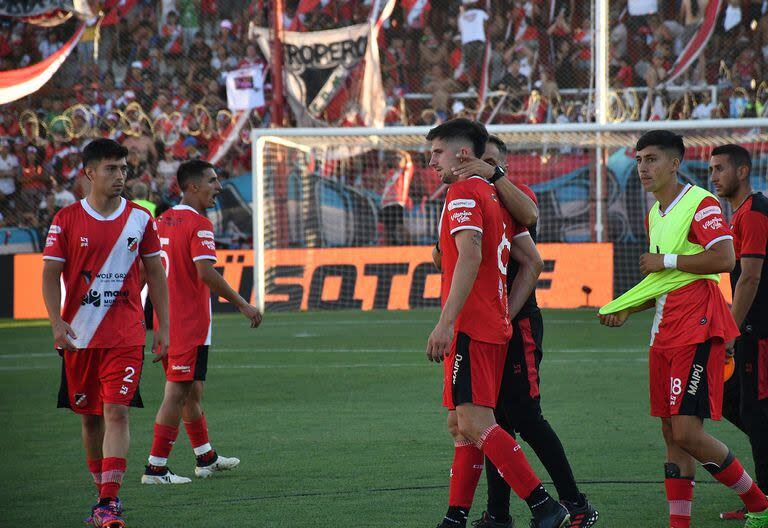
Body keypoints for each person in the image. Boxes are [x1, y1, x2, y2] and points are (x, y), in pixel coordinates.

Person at [598, 130, 768, 528]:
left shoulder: (700, 202)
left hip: (697, 326)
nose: (643, 167)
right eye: (639, 160)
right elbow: (663, 280)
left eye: (652, 159)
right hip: (664, 331)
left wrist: (668, 260)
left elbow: (724, 258)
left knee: (688, 432)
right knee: (671, 435)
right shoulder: (655, 214)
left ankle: (759, 503)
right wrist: (629, 309)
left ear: (675, 164)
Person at [449, 135, 599, 528]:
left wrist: (505, 315)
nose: (482, 167)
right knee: (492, 421)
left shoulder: (510, 194)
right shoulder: (468, 196)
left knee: (526, 417)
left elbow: (531, 231)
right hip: (486, 324)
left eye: (492, 162)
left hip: (518, 323)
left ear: (505, 167)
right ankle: (498, 514)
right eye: (478, 160)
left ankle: (574, 504)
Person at [426, 118, 569, 528]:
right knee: (460, 423)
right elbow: (529, 258)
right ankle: (455, 517)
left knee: (474, 422)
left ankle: (544, 505)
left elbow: (469, 256)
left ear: (462, 154)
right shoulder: (493, 194)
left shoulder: (463, 192)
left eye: (438, 152)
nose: (431, 160)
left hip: (472, 325)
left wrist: (446, 322)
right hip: (491, 324)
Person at [41, 138, 169, 528]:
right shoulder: (65, 220)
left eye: (124, 168)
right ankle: (102, 496)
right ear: (89, 173)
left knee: (116, 412)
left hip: (126, 334)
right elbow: (49, 276)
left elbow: (157, 275)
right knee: (90, 419)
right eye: (111, 169)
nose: (120, 176)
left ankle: (109, 503)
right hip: (80, 335)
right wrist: (55, 321)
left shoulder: (140, 219)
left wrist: (163, 326)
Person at [141, 160, 262, 485]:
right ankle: (155, 468)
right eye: (212, 181)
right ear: (192, 186)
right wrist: (243, 304)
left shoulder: (162, 219)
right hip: (188, 322)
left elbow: (146, 270)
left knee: (192, 391)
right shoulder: (199, 224)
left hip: (166, 320)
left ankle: (205, 457)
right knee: (177, 393)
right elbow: (205, 272)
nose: (218, 187)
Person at [709, 144, 768, 521]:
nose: (713, 175)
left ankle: (763, 499)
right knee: (742, 405)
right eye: (711, 169)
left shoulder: (755, 212)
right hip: (751, 328)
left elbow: (750, 276)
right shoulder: (741, 214)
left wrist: (730, 328)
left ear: (742, 171)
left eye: (720, 169)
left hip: (759, 330)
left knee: (756, 410)